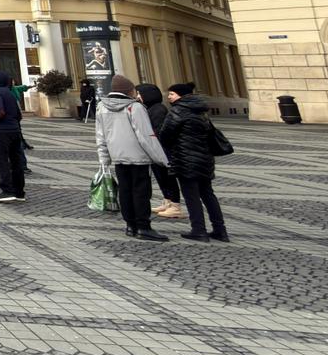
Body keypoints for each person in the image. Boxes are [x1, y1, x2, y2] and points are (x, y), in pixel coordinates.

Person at [95, 75, 170, 241]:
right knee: (141, 192)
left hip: (118, 156)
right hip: (138, 157)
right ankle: (143, 227)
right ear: (129, 91)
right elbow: (146, 136)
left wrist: (104, 159)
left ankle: (130, 225)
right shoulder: (134, 107)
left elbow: (100, 136)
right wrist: (162, 159)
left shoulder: (102, 107)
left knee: (125, 191)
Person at [159, 82, 230, 243]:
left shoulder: (178, 111)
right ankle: (220, 230)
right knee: (208, 194)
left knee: (191, 196)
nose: (169, 97)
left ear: (181, 95)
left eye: (172, 94)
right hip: (205, 159)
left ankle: (199, 230)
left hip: (185, 160)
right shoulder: (201, 111)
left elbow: (165, 135)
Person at [138, 83, 184, 219]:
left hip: (162, 150)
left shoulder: (158, 109)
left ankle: (175, 205)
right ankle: (167, 200)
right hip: (155, 150)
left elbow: (158, 132)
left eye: (139, 94)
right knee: (160, 176)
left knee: (167, 177)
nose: (138, 96)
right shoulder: (149, 108)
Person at [0, 70, 26, 203]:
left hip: (3, 131)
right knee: (16, 161)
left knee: (2, 160)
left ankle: (7, 190)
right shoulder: (10, 93)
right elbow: (18, 114)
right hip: (15, 130)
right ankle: (19, 191)